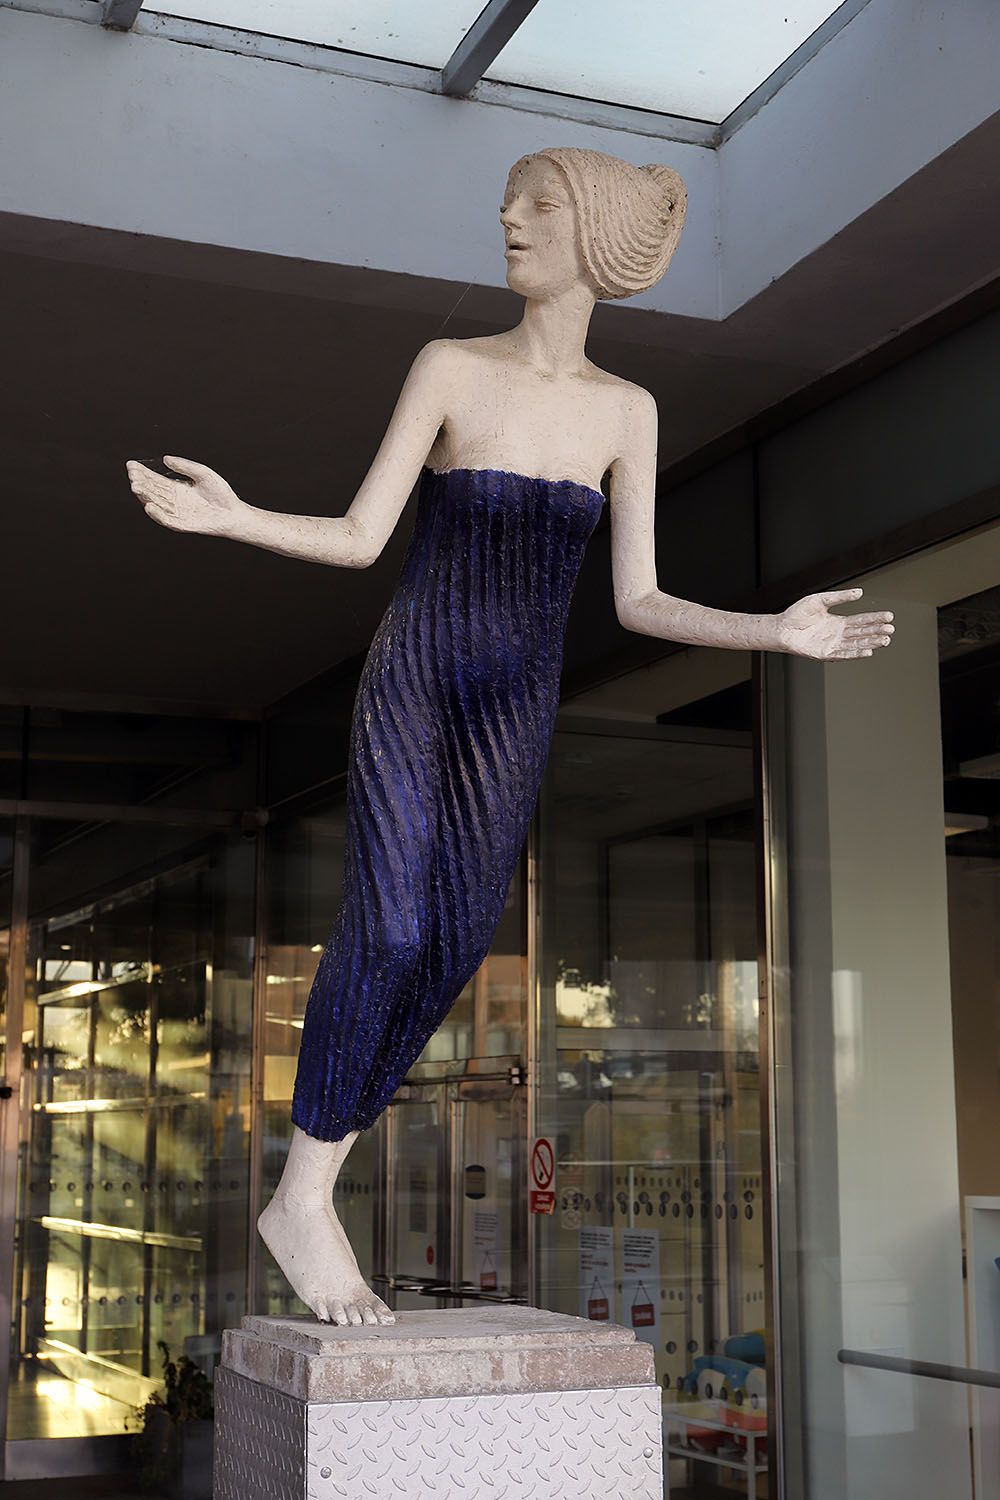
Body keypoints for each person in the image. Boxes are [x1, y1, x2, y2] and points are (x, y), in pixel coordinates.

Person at [126, 147, 893, 1327]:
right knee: (387, 924)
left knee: (452, 944)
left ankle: (309, 1183)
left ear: (596, 235)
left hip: (514, 702)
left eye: (538, 205)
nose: (508, 220)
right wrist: (236, 520)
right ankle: (306, 1196)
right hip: (417, 675)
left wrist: (773, 632)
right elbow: (361, 537)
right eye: (508, 202)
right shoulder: (450, 367)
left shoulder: (625, 410)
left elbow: (639, 599)